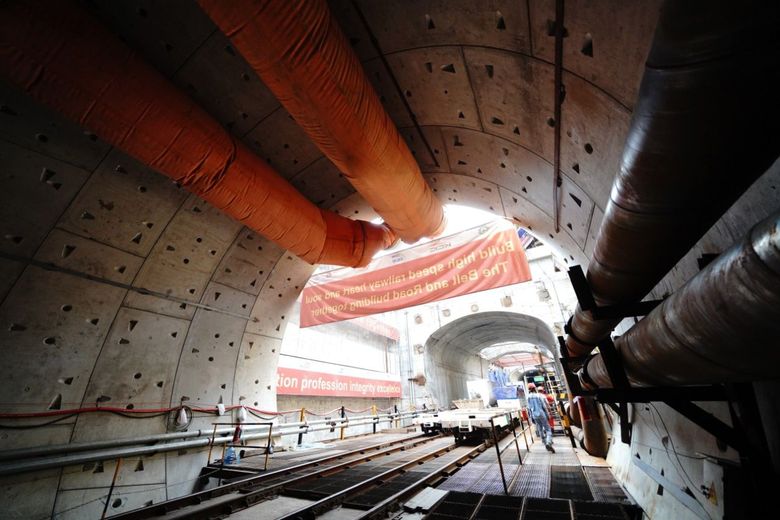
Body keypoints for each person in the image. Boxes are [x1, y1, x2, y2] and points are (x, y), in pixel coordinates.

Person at [526, 383, 555, 453]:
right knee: (548, 429)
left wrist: (531, 417)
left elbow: (528, 408)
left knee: (540, 429)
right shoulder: (539, 396)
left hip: (534, 415)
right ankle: (548, 442)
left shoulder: (528, 397)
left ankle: (545, 443)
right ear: (534, 388)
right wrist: (548, 414)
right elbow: (544, 406)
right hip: (541, 413)